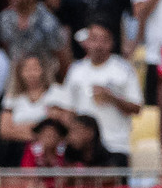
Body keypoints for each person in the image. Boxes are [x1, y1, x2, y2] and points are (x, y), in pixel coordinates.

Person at [61, 20, 142, 166]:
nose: (98, 45)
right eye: (94, 39)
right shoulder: (75, 70)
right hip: (84, 148)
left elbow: (137, 108)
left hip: (116, 145)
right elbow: (68, 110)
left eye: (104, 40)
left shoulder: (124, 69)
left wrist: (112, 98)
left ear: (111, 43)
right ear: (87, 42)